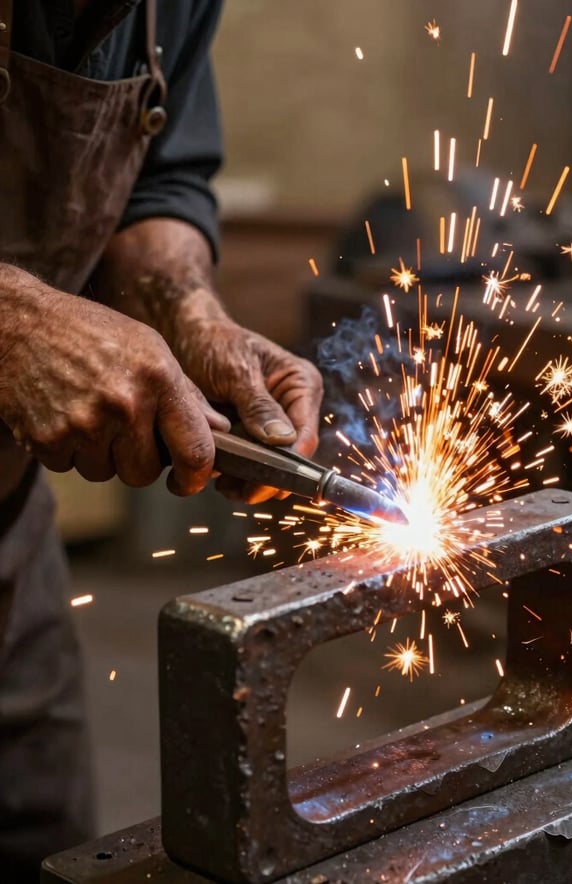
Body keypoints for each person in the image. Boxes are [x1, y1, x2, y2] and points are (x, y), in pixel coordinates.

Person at [0, 1, 323, 879]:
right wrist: (12, 322)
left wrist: (187, 312)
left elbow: (160, 181)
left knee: (46, 842)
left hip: (7, 531)